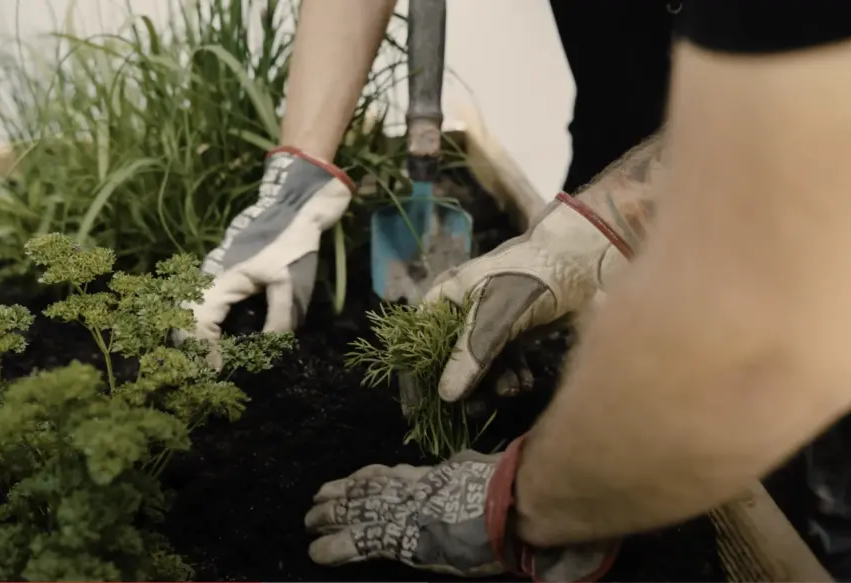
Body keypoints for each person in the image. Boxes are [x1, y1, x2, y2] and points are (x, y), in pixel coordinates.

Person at [185, 0, 851, 580]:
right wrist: (299, 179)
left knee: (790, 503)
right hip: (650, 134)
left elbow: (789, 214)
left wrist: (525, 501)